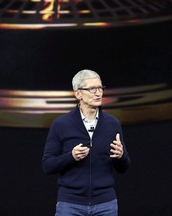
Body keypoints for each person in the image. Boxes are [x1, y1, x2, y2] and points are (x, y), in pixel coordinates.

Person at [42, 69, 130, 216]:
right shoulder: (61, 124)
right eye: (92, 89)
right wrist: (71, 156)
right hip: (70, 204)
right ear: (78, 94)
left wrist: (121, 156)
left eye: (100, 88)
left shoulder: (112, 124)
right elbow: (47, 165)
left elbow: (124, 168)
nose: (98, 93)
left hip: (105, 204)